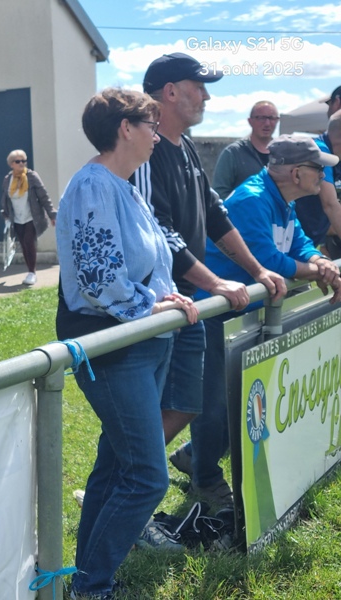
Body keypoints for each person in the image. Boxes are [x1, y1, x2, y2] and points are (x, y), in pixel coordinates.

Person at [57, 88, 199, 599]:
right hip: (116, 346)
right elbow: (99, 279)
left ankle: (86, 580)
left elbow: (150, 265)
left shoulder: (124, 185)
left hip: (143, 342)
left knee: (117, 465)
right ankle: (92, 586)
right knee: (147, 477)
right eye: (150, 126)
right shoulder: (93, 185)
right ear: (125, 129)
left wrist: (164, 298)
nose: (157, 136)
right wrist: (151, 306)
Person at [131, 53, 286, 508]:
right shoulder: (147, 151)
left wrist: (257, 270)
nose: (207, 96)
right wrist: (216, 281)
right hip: (153, 305)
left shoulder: (183, 145)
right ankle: (124, 484)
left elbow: (215, 215)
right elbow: (160, 233)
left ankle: (130, 478)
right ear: (169, 92)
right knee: (146, 411)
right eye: (198, 86)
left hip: (186, 302)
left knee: (187, 402)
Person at [191, 136, 341, 504]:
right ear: (297, 173)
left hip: (242, 315)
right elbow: (268, 261)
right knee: (214, 405)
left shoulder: (282, 199)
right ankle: (205, 479)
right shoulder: (253, 200)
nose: (324, 176)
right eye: (318, 169)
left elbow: (298, 243)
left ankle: (194, 456)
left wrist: (319, 261)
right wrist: (318, 271)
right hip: (214, 316)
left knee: (238, 400)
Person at [0, 149, 56, 286]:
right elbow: (5, 199)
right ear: (11, 164)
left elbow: (44, 196)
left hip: (32, 216)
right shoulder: (8, 179)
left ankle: (32, 272)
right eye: (18, 161)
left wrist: (52, 214)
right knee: (24, 244)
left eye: (24, 161)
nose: (21, 163)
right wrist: (5, 214)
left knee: (29, 241)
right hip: (16, 218)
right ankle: (30, 270)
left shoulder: (32, 176)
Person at [294, 112, 341, 259]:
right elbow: (330, 204)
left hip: (304, 242)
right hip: (288, 242)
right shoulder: (319, 152)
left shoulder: (335, 154)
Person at [212, 101, 279, 199]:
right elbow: (219, 193)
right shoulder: (233, 153)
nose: (267, 123)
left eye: (272, 118)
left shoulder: (282, 153)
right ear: (250, 121)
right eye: (261, 118)